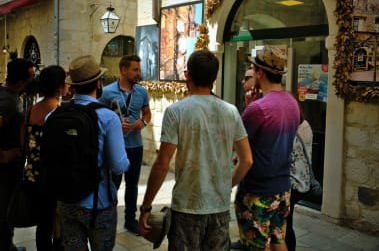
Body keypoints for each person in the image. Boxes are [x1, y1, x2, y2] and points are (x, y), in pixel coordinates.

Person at [138, 50, 253, 250]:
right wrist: (226, 185)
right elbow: (247, 160)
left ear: (187, 75)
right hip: (218, 207)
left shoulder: (176, 112)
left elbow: (163, 163)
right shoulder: (231, 111)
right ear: (215, 78)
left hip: (186, 208)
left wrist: (146, 206)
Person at [56, 55, 130, 250]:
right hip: (99, 203)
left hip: (65, 200)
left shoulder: (54, 115)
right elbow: (119, 166)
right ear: (98, 83)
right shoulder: (107, 117)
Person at [232, 45, 300, 251]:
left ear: (260, 73)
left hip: (257, 192)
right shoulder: (292, 103)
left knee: (257, 246)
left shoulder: (257, 109)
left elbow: (239, 144)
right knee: (279, 240)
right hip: (282, 189)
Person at [99, 55, 151, 235]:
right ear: (123, 70)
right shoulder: (106, 93)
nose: (138, 73)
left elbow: (147, 113)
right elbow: (99, 117)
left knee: (132, 186)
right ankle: (108, 220)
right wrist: (115, 125)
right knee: (112, 185)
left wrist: (143, 123)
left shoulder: (142, 92)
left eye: (139, 69)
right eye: (135, 69)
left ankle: (130, 220)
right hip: (115, 146)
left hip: (135, 146)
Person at [24, 65, 69, 250]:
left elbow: (24, 143)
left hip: (34, 174)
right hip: (55, 177)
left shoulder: (32, 110)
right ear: (60, 87)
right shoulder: (61, 112)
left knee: (43, 224)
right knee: (58, 221)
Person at [0, 58, 32, 251]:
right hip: (4, 170)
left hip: (9, 169)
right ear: (21, 81)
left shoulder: (9, 96)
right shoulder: (7, 102)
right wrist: (3, 156)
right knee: (4, 211)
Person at [285, 114, 313, 251]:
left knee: (285, 223)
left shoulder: (290, 131)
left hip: (293, 182)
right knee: (287, 220)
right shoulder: (305, 124)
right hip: (303, 181)